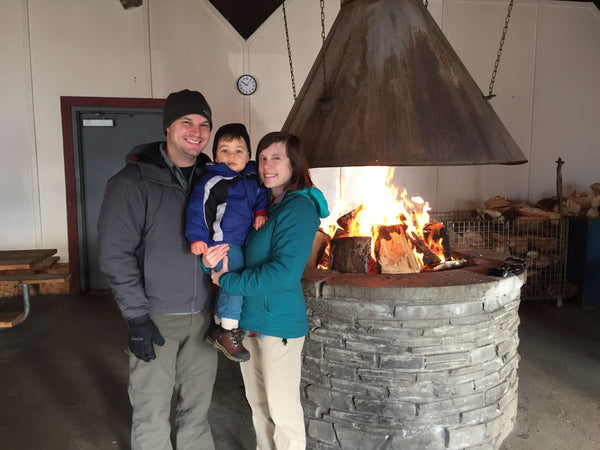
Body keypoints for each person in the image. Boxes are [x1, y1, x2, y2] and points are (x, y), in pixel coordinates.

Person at [97, 89, 225, 450]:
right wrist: (137, 318)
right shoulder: (131, 183)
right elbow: (114, 255)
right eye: (187, 122)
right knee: (152, 409)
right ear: (168, 126)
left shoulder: (215, 182)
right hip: (155, 317)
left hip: (204, 314)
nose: (197, 132)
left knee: (197, 409)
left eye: (204, 124)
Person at [208, 131, 330, 450]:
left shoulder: (299, 209)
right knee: (259, 408)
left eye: (276, 157)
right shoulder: (267, 204)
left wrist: (228, 282)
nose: (266, 165)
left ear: (295, 164)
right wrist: (213, 259)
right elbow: (235, 248)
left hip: (279, 326)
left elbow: (282, 274)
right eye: (262, 158)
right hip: (250, 324)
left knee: (283, 411)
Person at [185, 123, 268, 362]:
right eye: (224, 150)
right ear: (215, 155)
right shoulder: (213, 180)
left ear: (249, 156)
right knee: (234, 280)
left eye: (239, 151)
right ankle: (228, 330)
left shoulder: (253, 177)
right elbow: (197, 210)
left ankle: (220, 325)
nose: (232, 156)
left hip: (242, 242)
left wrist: (261, 210)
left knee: (231, 279)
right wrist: (198, 238)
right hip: (223, 241)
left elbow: (262, 194)